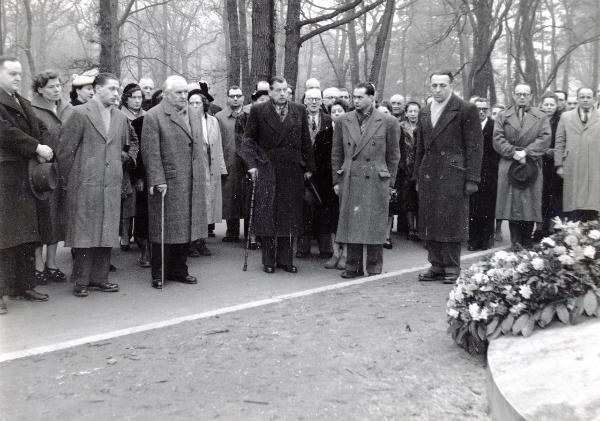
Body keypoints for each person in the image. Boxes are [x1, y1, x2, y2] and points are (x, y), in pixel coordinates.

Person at [58, 72, 129, 297]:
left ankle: (100, 278)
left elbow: (119, 150)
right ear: (97, 89)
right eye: (112, 89)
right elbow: (65, 151)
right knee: (85, 233)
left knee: (106, 230)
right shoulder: (79, 113)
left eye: (118, 89)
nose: (117, 93)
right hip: (85, 184)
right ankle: (81, 280)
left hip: (110, 184)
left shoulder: (119, 117)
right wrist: (68, 182)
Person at [239, 76, 315, 274]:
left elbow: (306, 140)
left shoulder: (299, 110)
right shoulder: (258, 111)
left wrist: (308, 167)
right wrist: (252, 165)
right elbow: (247, 141)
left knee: (289, 215)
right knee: (269, 215)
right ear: (270, 92)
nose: (283, 94)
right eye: (278, 90)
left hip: (292, 170)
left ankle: (286, 260)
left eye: (286, 90)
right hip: (267, 168)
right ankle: (268, 260)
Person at [415, 71, 483, 284]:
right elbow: (420, 147)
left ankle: (452, 266)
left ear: (451, 86)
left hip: (454, 174)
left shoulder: (465, 109)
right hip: (429, 174)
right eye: (434, 85)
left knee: (451, 221)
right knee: (430, 220)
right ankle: (435, 264)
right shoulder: (425, 111)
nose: (437, 90)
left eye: (442, 85)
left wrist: (472, 178)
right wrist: (417, 175)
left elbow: (474, 146)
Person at [141, 75, 208, 289]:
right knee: (165, 228)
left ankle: (180, 269)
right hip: (169, 180)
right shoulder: (154, 115)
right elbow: (150, 152)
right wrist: (158, 178)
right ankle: (159, 273)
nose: (183, 96)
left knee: (185, 228)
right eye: (178, 92)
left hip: (191, 179)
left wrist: (201, 173)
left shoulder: (195, 114)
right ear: (166, 94)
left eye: (185, 92)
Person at [0, 56, 54, 313]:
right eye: (12, 73)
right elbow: (5, 132)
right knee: (4, 238)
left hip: (24, 175)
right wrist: (36, 146)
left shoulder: (21, 101)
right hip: (5, 175)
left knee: (26, 234)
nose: (18, 78)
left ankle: (23, 285)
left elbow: (39, 126)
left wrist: (44, 142)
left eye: (20, 74)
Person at [331, 82, 401, 279]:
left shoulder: (388, 121)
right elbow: (336, 153)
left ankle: (374, 266)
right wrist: (337, 180)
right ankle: (352, 266)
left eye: (361, 97)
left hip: (376, 178)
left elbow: (394, 155)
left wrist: (390, 182)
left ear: (372, 97)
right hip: (351, 177)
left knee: (374, 223)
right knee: (351, 222)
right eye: (354, 97)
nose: (356, 101)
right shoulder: (344, 120)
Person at [493, 83, 551, 250]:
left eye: (525, 94)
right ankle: (515, 244)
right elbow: (497, 138)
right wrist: (513, 152)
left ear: (531, 96)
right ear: (513, 95)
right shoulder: (503, 115)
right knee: (512, 206)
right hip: (509, 163)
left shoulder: (541, 116)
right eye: (519, 94)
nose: (522, 97)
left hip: (531, 164)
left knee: (529, 204)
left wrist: (526, 152)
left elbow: (545, 138)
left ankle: (527, 243)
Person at [30, 70, 73, 285]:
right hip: (42, 173)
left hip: (64, 170)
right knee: (42, 219)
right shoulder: (32, 109)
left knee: (57, 218)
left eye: (58, 86)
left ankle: (52, 264)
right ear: (39, 89)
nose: (57, 90)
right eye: (51, 87)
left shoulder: (68, 108)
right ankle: (38, 266)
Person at [297, 88, 333, 258]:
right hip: (302, 172)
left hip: (323, 173)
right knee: (303, 207)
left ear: (321, 101)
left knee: (323, 208)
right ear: (305, 101)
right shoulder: (298, 119)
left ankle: (325, 247)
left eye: (317, 99)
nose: (313, 102)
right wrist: (305, 168)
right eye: (310, 99)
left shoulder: (328, 120)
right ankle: (303, 247)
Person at [555, 87, 600, 222]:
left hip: (594, 166)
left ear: (594, 99)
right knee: (573, 206)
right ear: (577, 99)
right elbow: (560, 141)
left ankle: (592, 239)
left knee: (592, 204)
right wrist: (559, 164)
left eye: (588, 97)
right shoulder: (566, 117)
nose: (585, 100)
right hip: (572, 166)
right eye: (582, 97)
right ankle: (574, 238)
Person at [216, 85, 247, 242]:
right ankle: (232, 232)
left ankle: (250, 233)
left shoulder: (251, 115)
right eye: (232, 96)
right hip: (230, 162)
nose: (235, 98)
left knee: (247, 195)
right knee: (230, 197)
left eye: (238, 95)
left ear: (243, 97)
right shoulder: (220, 117)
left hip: (248, 164)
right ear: (227, 98)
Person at [468, 98, 499, 250]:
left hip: (490, 172)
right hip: (472, 171)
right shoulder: (468, 124)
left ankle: (486, 240)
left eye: (484, 109)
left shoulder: (494, 126)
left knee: (488, 207)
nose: (481, 112)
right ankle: (473, 240)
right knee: (472, 207)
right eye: (478, 109)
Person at [322, 100, 348, 269]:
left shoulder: (352, 132)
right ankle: (335, 252)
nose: (337, 113)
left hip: (347, 179)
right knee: (332, 218)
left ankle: (346, 253)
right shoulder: (323, 135)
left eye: (340, 110)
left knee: (345, 217)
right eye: (334, 111)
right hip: (329, 182)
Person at [118, 83, 144, 251]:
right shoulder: (121, 116)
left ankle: (139, 235)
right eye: (133, 97)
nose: (137, 101)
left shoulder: (147, 115)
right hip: (126, 165)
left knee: (140, 203)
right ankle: (125, 237)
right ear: (126, 99)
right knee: (128, 202)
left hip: (142, 164)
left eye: (139, 97)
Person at [535, 92, 563, 239]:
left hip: (555, 163)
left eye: (552, 104)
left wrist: (555, 151)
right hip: (539, 162)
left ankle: (552, 229)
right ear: (541, 105)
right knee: (541, 195)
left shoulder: (561, 120)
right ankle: (540, 228)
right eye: (546, 104)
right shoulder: (536, 119)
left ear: (557, 106)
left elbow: (564, 139)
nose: (549, 107)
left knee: (554, 196)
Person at [399, 101, 421, 241]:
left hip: (419, 167)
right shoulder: (401, 127)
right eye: (410, 111)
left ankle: (419, 228)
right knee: (408, 198)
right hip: (405, 167)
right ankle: (411, 228)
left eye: (415, 111)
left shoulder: (424, 127)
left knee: (419, 198)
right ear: (406, 113)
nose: (413, 114)